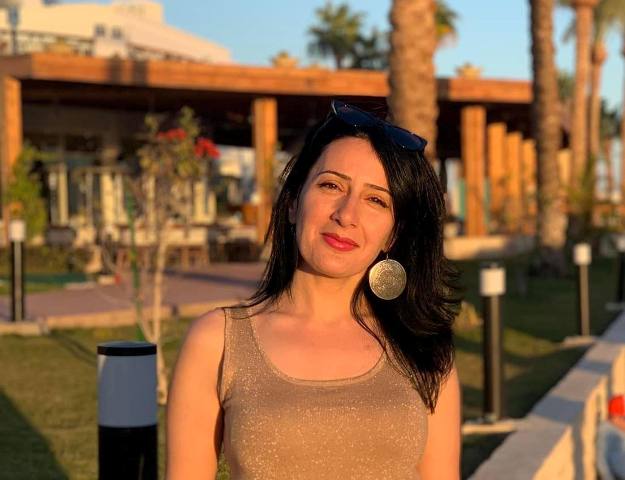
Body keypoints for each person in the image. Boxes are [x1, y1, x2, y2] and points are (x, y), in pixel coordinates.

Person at [166, 100, 462, 479]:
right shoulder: (217, 341)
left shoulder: (423, 346)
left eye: (375, 200)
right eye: (331, 185)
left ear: (394, 234)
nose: (346, 215)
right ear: (293, 203)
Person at [597, 394, 625, 480]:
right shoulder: (607, 432)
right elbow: (601, 460)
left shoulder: (618, 428)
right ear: (615, 416)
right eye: (623, 418)